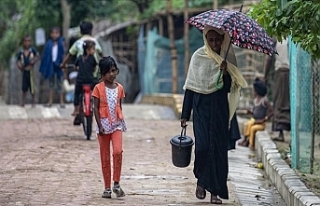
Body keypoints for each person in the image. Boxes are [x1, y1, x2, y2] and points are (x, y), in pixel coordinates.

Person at [180, 26, 247, 204]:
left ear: (223, 39)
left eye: (218, 39)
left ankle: (215, 192)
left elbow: (228, 89)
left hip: (219, 109)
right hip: (201, 109)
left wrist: (225, 73)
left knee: (217, 150)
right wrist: (185, 114)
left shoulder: (227, 58)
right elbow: (191, 87)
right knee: (202, 147)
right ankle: (202, 181)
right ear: (205, 39)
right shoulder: (198, 57)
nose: (215, 43)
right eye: (211, 40)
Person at [92, 56, 126, 198]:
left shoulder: (120, 88)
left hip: (117, 126)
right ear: (103, 73)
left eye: (114, 71)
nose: (112, 74)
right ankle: (107, 187)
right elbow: (95, 108)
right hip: (103, 128)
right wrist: (99, 126)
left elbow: (119, 106)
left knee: (117, 151)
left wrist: (121, 119)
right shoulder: (98, 89)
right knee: (105, 157)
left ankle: (116, 183)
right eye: (109, 72)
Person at [264, 39, 290, 142]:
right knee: (286, 101)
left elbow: (269, 59)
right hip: (292, 72)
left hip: (282, 72)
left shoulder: (278, 40)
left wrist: (265, 76)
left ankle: (280, 133)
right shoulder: (293, 39)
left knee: (280, 101)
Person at [238, 78, 274, 150]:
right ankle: (245, 139)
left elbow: (272, 112)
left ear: (257, 91)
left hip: (260, 123)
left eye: (253, 90)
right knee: (248, 124)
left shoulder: (264, 100)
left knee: (253, 128)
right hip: (254, 121)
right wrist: (250, 112)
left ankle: (251, 144)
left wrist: (264, 119)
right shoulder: (255, 100)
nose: (253, 92)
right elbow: (255, 111)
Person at [39, 27, 65, 108]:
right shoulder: (48, 44)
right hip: (51, 65)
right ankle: (50, 101)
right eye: (53, 33)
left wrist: (63, 64)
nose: (54, 35)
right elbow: (45, 56)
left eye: (56, 33)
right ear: (50, 34)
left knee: (60, 84)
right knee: (51, 84)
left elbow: (63, 54)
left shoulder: (61, 43)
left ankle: (62, 102)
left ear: (59, 34)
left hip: (59, 65)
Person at [72, 40, 97, 116]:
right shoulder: (92, 58)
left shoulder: (79, 58)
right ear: (88, 50)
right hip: (90, 80)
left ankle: (76, 109)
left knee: (77, 93)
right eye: (93, 49)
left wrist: (77, 68)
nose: (94, 51)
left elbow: (75, 67)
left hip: (80, 81)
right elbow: (94, 68)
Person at [16, 35, 40, 107]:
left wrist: (33, 61)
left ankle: (33, 102)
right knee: (24, 87)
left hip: (31, 71)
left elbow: (38, 56)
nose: (27, 43)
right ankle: (23, 102)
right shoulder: (21, 51)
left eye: (28, 41)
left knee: (32, 87)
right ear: (23, 42)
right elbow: (17, 61)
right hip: (24, 71)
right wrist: (19, 66)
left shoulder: (32, 50)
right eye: (25, 41)